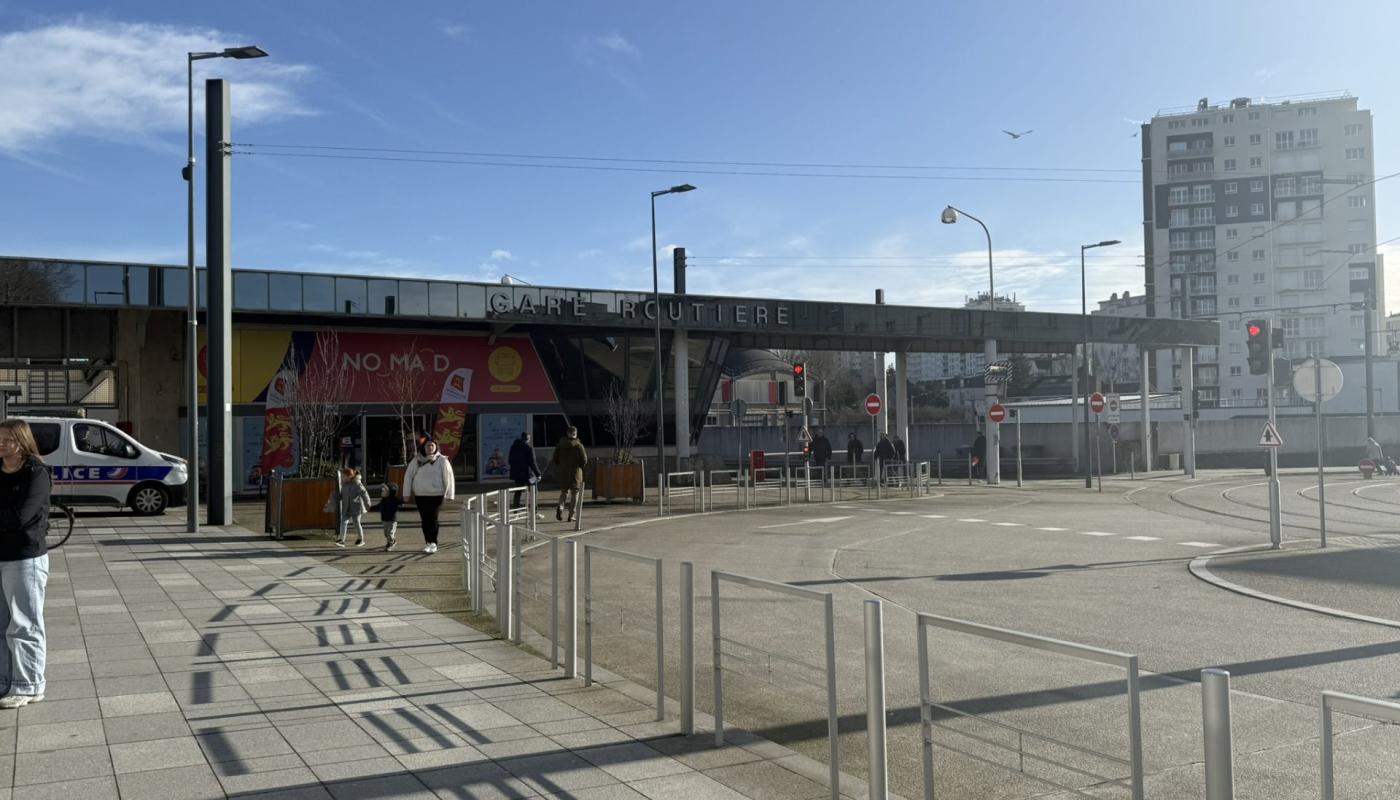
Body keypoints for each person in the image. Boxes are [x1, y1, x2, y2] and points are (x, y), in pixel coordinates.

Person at [0, 419, 51, 708]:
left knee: (24, 623)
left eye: (8, 439)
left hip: (24, 557)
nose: (2, 443)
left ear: (22, 441)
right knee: (1, 623)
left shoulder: (36, 473)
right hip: (1, 553)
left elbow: (21, 517)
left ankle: (29, 684)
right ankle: (5, 681)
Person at [404, 439, 455, 554]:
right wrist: (406, 494)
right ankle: (428, 542)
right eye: (428, 446)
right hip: (421, 495)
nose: (430, 448)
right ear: (424, 447)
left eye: (432, 445)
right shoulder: (417, 460)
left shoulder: (442, 460)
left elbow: (448, 477)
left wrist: (449, 494)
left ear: (436, 447)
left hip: (436, 495)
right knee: (425, 520)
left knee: (433, 518)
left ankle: (434, 543)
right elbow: (408, 476)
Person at [550, 426, 588, 522]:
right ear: (575, 434)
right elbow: (584, 460)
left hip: (563, 472)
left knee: (564, 491)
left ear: (567, 433)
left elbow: (555, 459)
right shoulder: (579, 446)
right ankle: (571, 515)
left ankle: (561, 506)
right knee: (575, 493)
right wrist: (579, 467)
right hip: (575, 472)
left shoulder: (560, 445)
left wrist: (561, 465)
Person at [332, 467, 371, 548]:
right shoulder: (344, 485)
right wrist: (336, 498)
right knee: (343, 522)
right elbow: (341, 495)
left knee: (356, 523)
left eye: (343, 476)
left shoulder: (357, 483)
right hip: (346, 508)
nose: (341, 478)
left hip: (356, 507)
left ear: (349, 476)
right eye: (341, 476)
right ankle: (342, 540)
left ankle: (361, 539)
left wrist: (367, 503)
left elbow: (364, 493)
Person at [508, 432, 541, 509]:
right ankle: (534, 509)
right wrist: (538, 474)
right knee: (533, 490)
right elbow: (532, 462)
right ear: (528, 439)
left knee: (518, 491)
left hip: (517, 474)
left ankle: (515, 509)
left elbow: (510, 460)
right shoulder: (529, 448)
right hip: (528, 475)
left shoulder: (513, 447)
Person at [377, 482, 402, 551]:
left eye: (384, 491)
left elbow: (401, 501)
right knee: (386, 533)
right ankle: (393, 540)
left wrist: (403, 500)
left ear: (390, 492)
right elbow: (378, 506)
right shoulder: (383, 500)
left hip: (392, 520)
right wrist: (369, 508)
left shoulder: (395, 500)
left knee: (390, 533)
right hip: (384, 519)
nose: (382, 492)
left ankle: (390, 544)